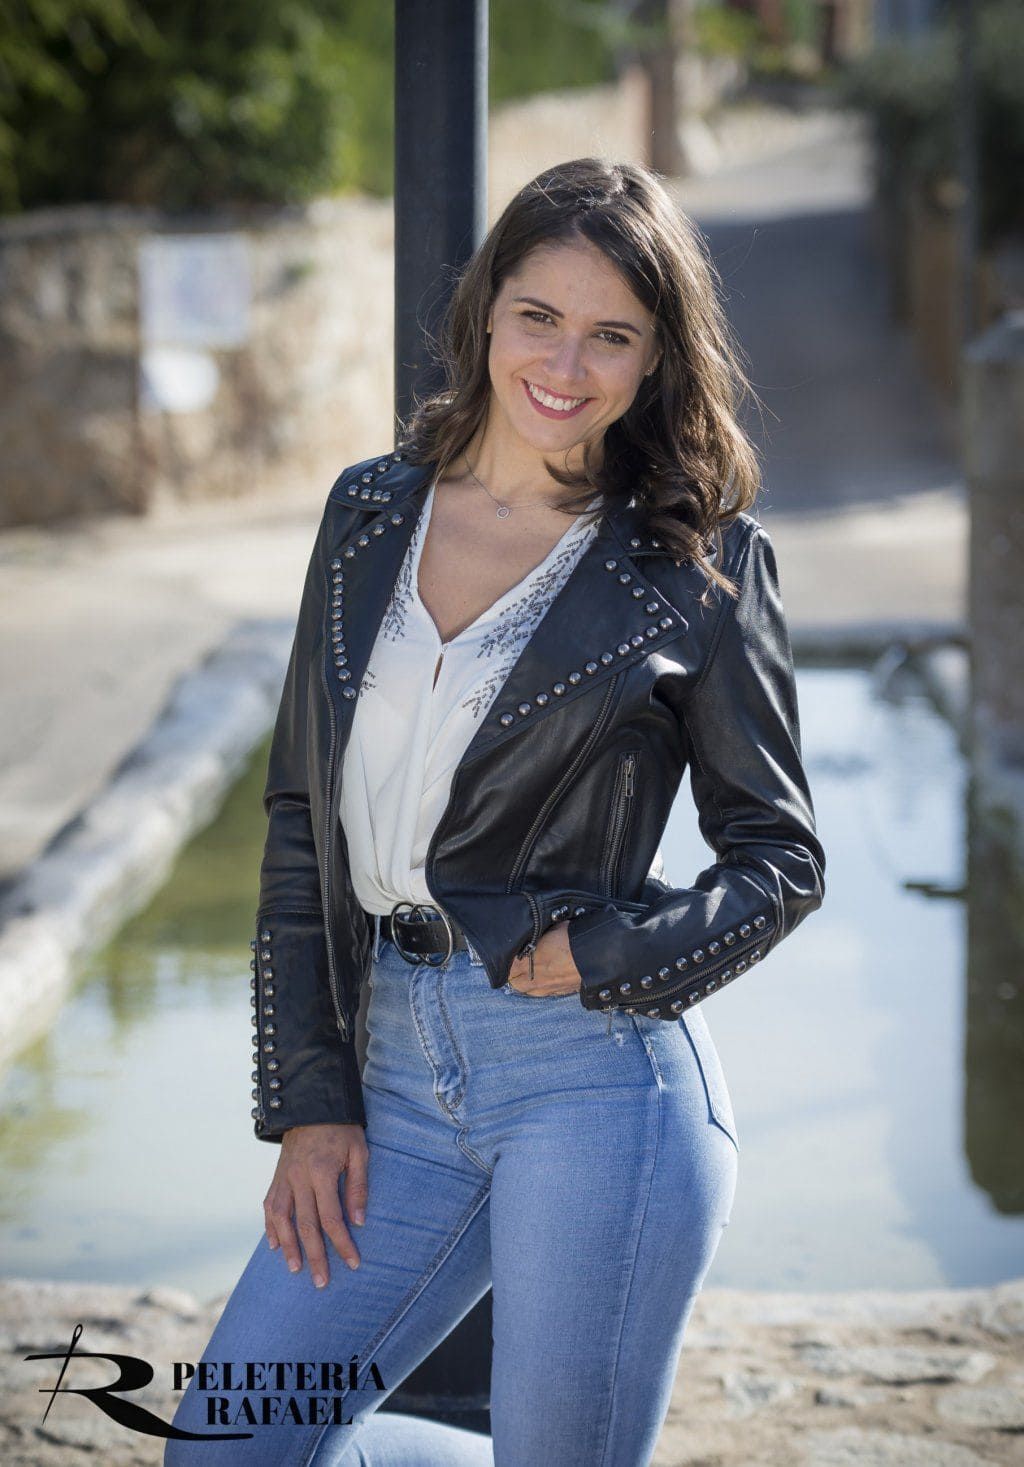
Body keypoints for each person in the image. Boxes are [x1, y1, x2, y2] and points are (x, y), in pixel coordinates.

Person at [165, 157, 825, 1467]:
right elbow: (303, 819)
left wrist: (608, 951)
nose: (565, 366)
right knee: (229, 1447)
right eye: (539, 316)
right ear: (484, 313)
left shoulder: (698, 564)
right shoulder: (366, 514)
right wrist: (311, 1096)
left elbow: (779, 859)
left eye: (611, 335)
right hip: (388, 1076)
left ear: (655, 362)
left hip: (593, 1085)